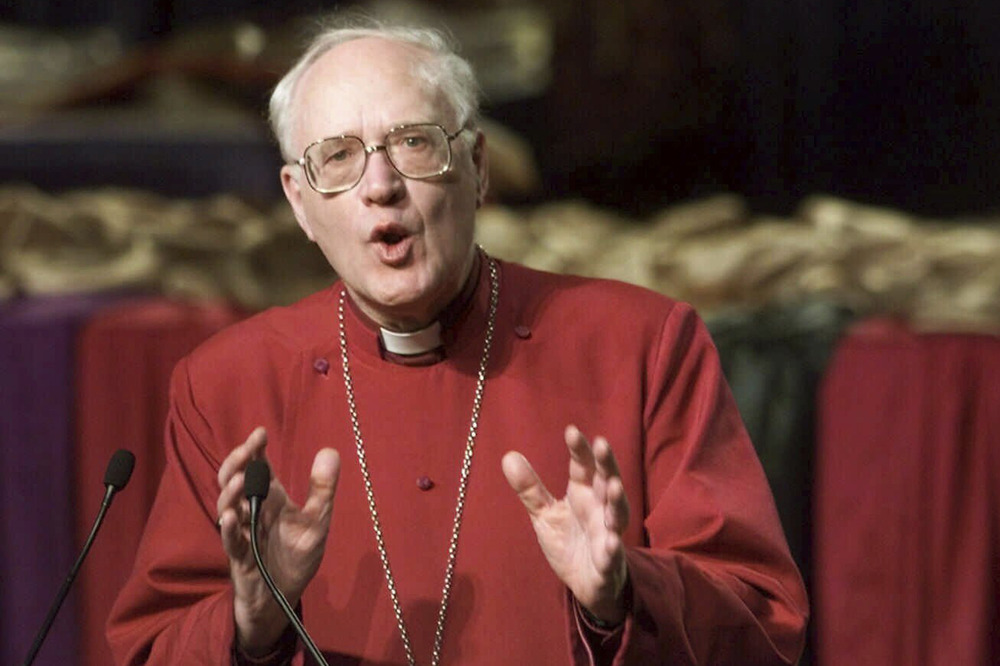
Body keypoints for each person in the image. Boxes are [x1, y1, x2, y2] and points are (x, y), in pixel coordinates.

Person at [108, 16, 808, 666]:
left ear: (477, 168)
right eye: (340, 156)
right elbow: (151, 647)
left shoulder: (645, 345)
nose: (380, 185)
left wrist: (626, 594)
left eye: (414, 141)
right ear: (299, 202)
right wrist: (250, 624)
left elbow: (764, 626)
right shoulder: (224, 384)